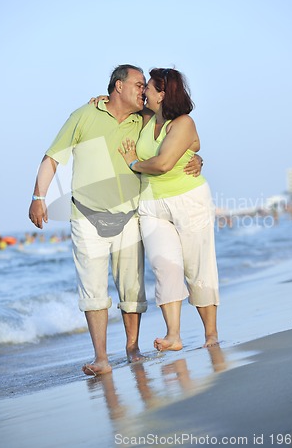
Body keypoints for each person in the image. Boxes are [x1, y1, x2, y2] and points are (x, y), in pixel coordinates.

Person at [29, 64, 202, 375]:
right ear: (118, 86)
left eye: (144, 86)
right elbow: (53, 157)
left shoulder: (143, 120)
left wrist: (196, 157)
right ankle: (101, 358)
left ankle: (133, 349)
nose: (143, 90)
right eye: (138, 84)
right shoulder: (84, 114)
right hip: (86, 215)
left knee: (132, 289)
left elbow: (179, 139)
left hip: (130, 214)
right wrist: (38, 197)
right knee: (93, 289)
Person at [118, 68, 219, 352]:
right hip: (151, 204)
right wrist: (101, 98)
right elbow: (118, 105)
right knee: (165, 267)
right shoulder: (147, 118)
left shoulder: (184, 122)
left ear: (162, 94)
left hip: (189, 199)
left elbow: (163, 164)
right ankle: (173, 335)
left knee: (198, 268)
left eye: (147, 88)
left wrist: (132, 163)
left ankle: (210, 334)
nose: (143, 92)